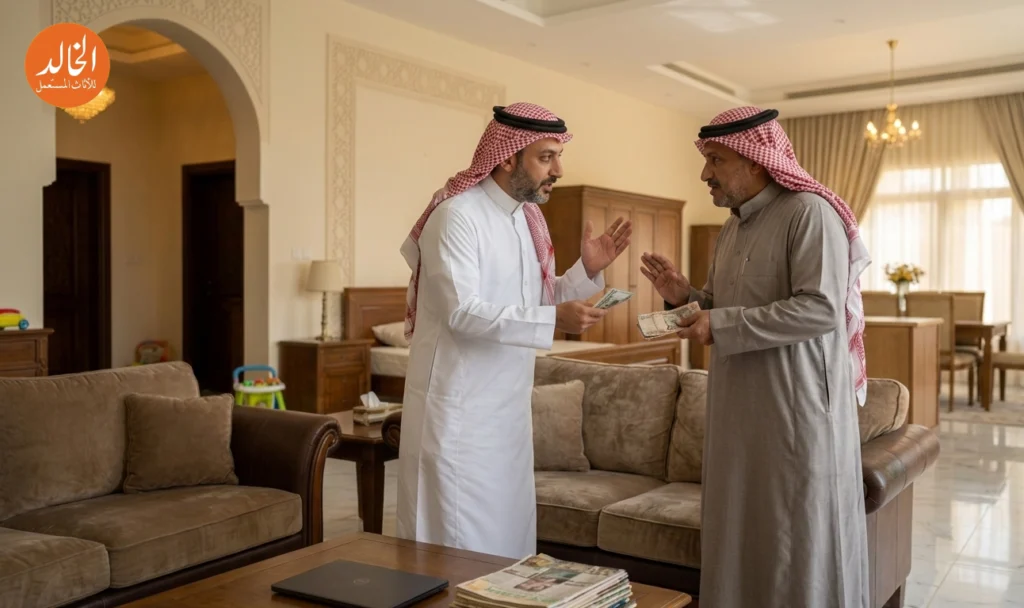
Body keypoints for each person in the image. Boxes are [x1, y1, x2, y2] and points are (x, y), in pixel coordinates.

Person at [640, 106, 871, 608]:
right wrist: (685, 296)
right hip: (737, 417)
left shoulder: (809, 213)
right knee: (739, 535)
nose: (705, 174)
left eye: (716, 160)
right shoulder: (731, 228)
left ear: (756, 161)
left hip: (793, 417)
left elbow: (820, 309)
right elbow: (724, 307)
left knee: (795, 539)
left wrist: (718, 322)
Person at [396, 102, 632, 559]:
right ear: (507, 157)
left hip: (508, 411)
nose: (558, 170)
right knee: (456, 544)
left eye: (558, 157)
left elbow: (533, 297)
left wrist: (586, 270)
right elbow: (462, 312)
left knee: (508, 542)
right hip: (460, 414)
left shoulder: (526, 219)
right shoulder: (457, 215)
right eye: (546, 157)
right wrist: (554, 320)